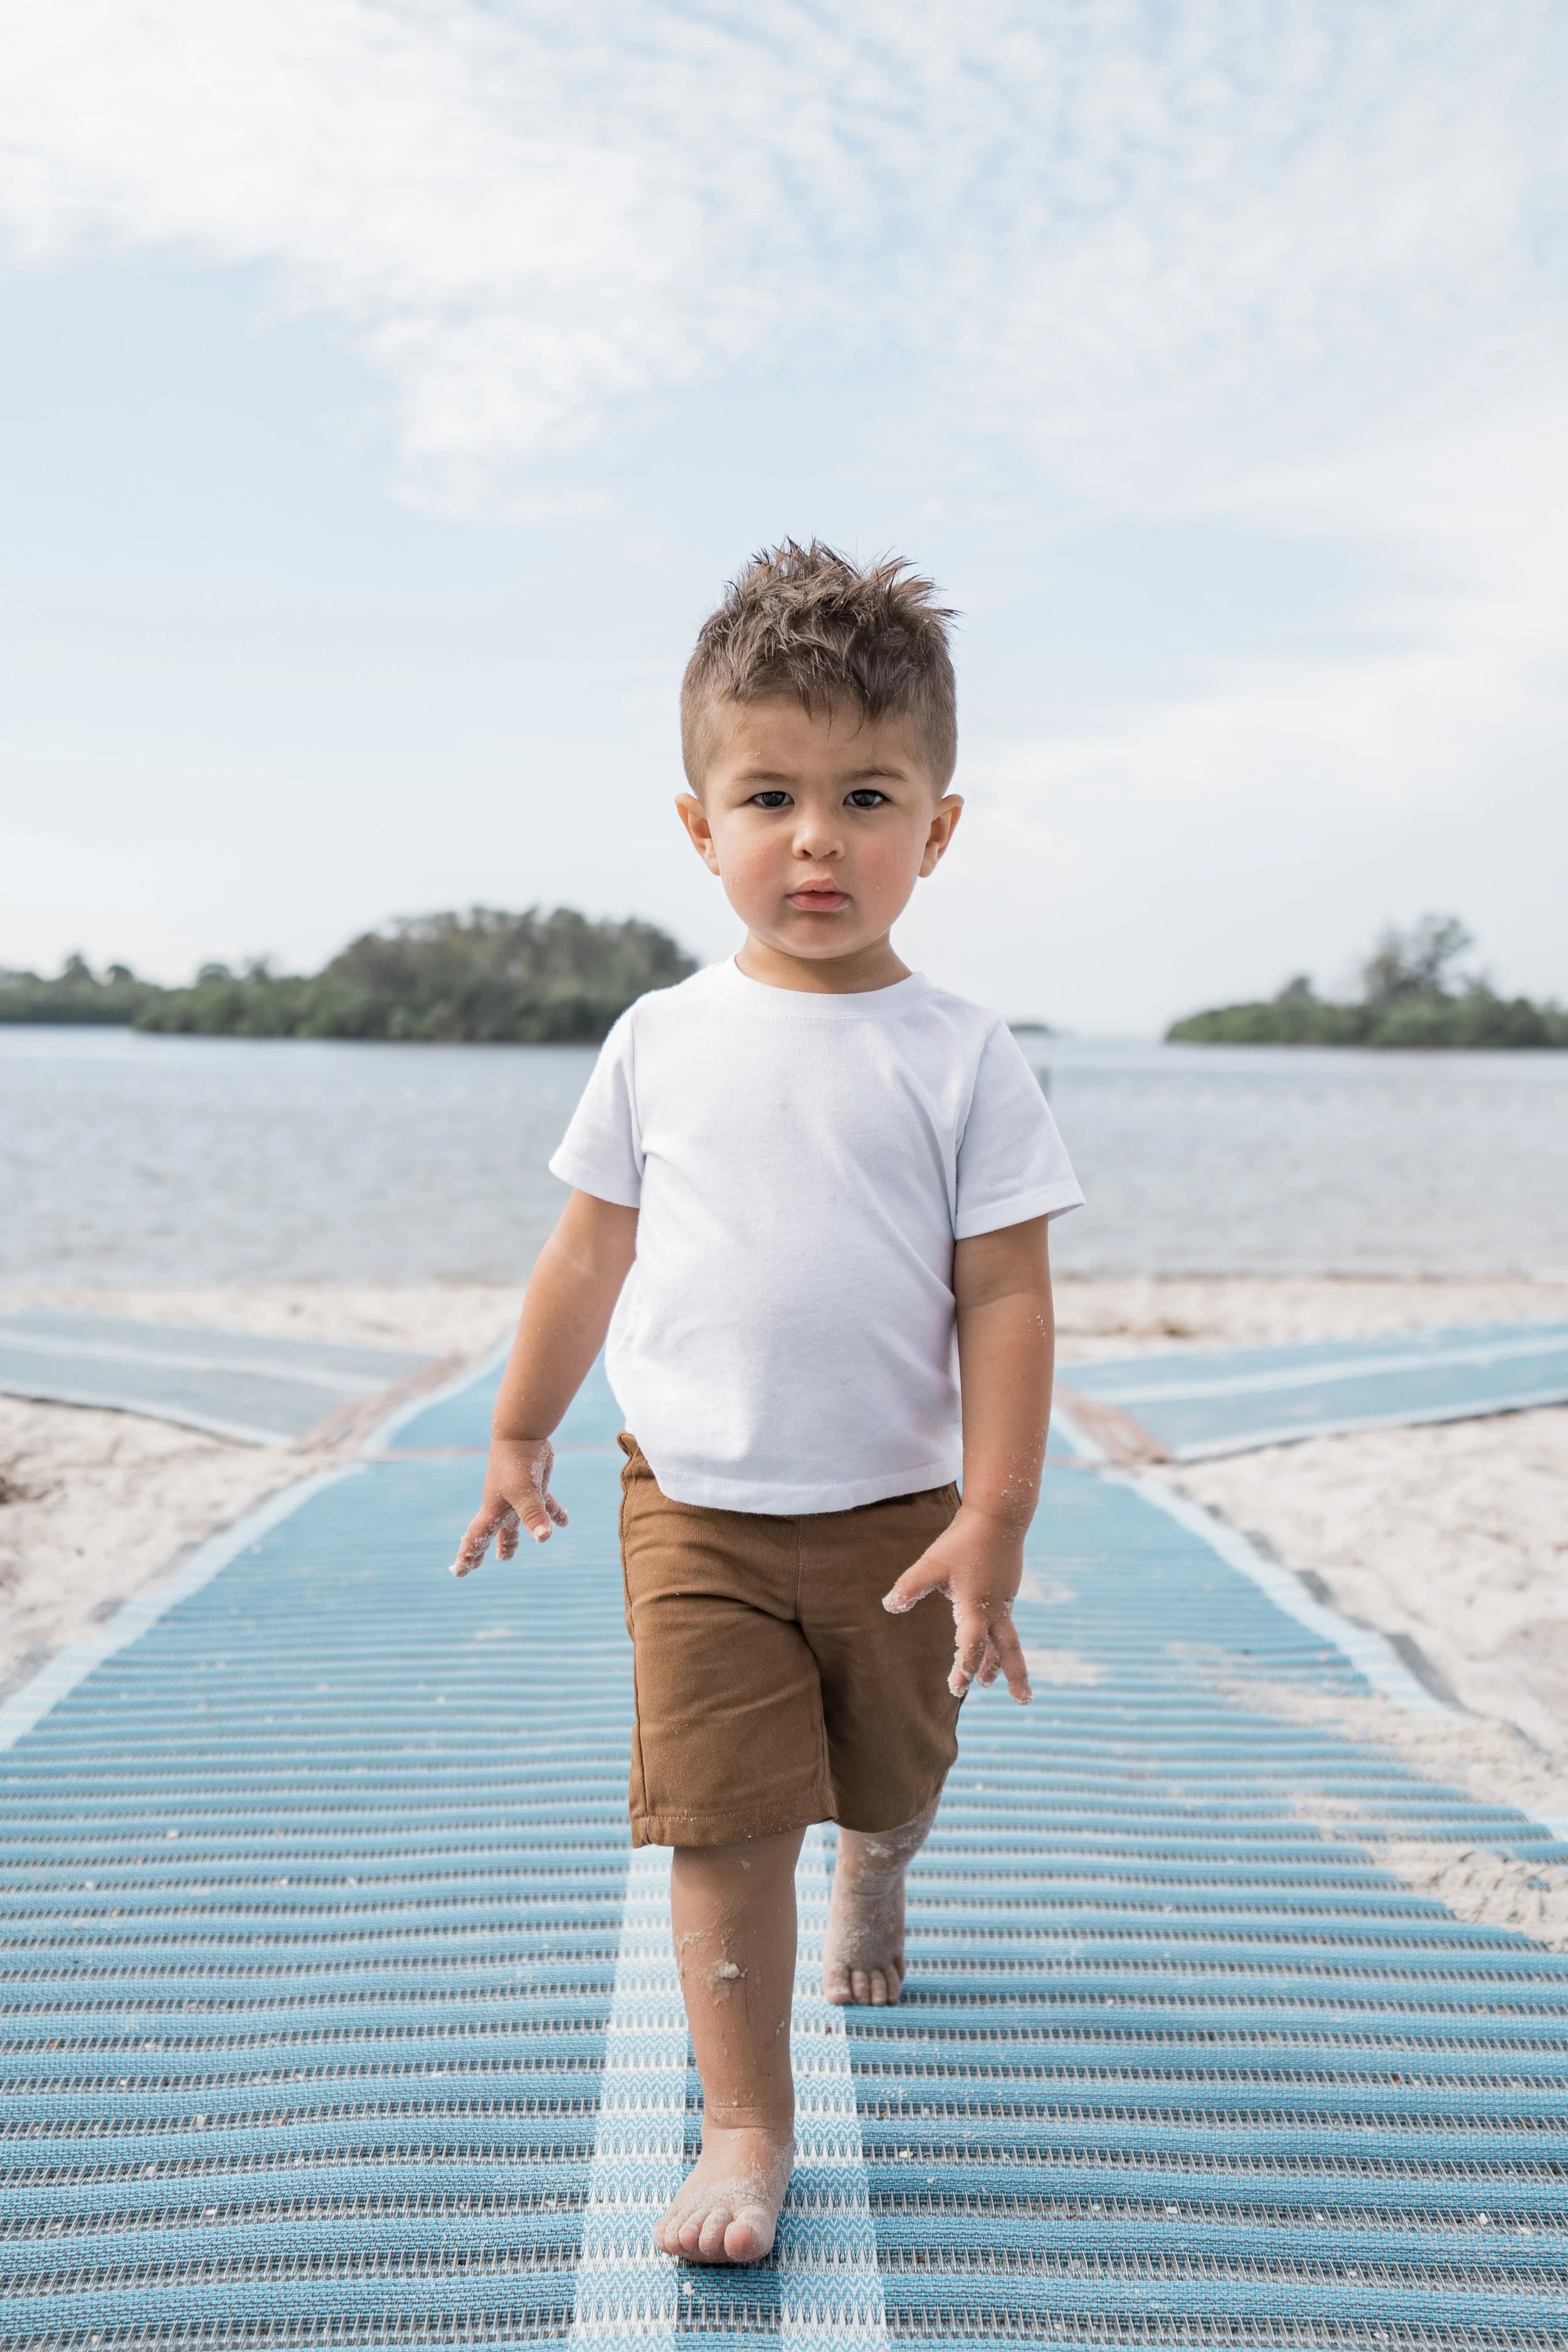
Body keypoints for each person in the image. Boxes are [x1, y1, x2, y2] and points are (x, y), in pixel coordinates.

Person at [453, 541, 1083, 2265]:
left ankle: (880, 1861)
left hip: (894, 1517)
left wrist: (996, 1512)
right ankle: (744, 2120)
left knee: (888, 1769)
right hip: (699, 1512)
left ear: (935, 828)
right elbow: (586, 1254)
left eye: (865, 795)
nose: (817, 838)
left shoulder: (962, 1052)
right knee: (722, 1818)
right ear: (698, 822)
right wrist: (519, 1427)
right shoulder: (657, 1037)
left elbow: (1006, 1293)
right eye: (772, 794)